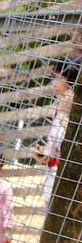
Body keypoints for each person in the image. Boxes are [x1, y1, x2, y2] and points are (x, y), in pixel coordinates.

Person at [34, 54, 80, 213]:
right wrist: (45, 154)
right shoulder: (58, 111)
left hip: (72, 186)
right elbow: (55, 150)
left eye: (58, 77)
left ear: (70, 81)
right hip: (54, 181)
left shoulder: (75, 114)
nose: (53, 83)